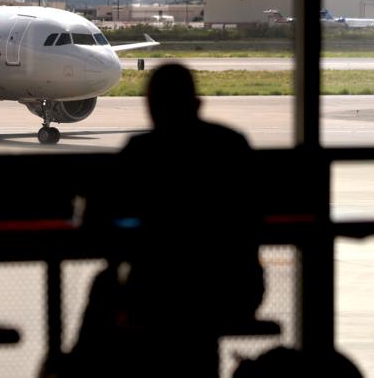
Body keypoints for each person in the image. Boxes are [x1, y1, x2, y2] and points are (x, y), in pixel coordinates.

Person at [51, 63, 265, 377]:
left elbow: (96, 222)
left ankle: (75, 369)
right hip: (236, 290)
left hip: (156, 291)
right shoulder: (233, 144)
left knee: (106, 284)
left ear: (151, 108)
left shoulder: (142, 151)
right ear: (197, 103)